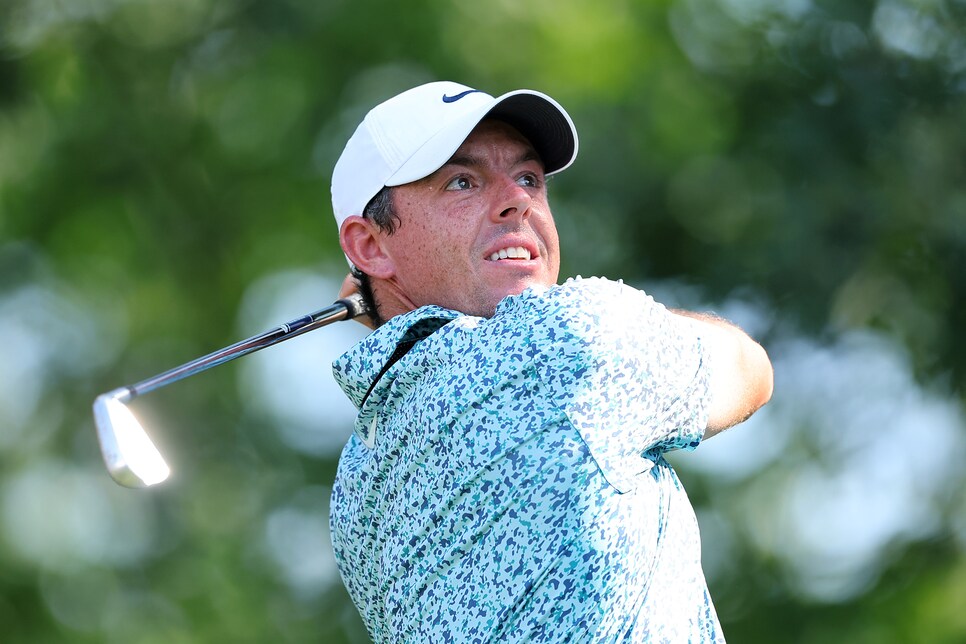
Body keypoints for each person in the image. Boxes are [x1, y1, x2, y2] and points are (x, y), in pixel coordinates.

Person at [327, 81, 773, 643]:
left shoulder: (357, 491)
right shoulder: (571, 337)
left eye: (528, 178)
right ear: (369, 245)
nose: (517, 201)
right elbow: (749, 367)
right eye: (462, 182)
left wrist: (393, 302)